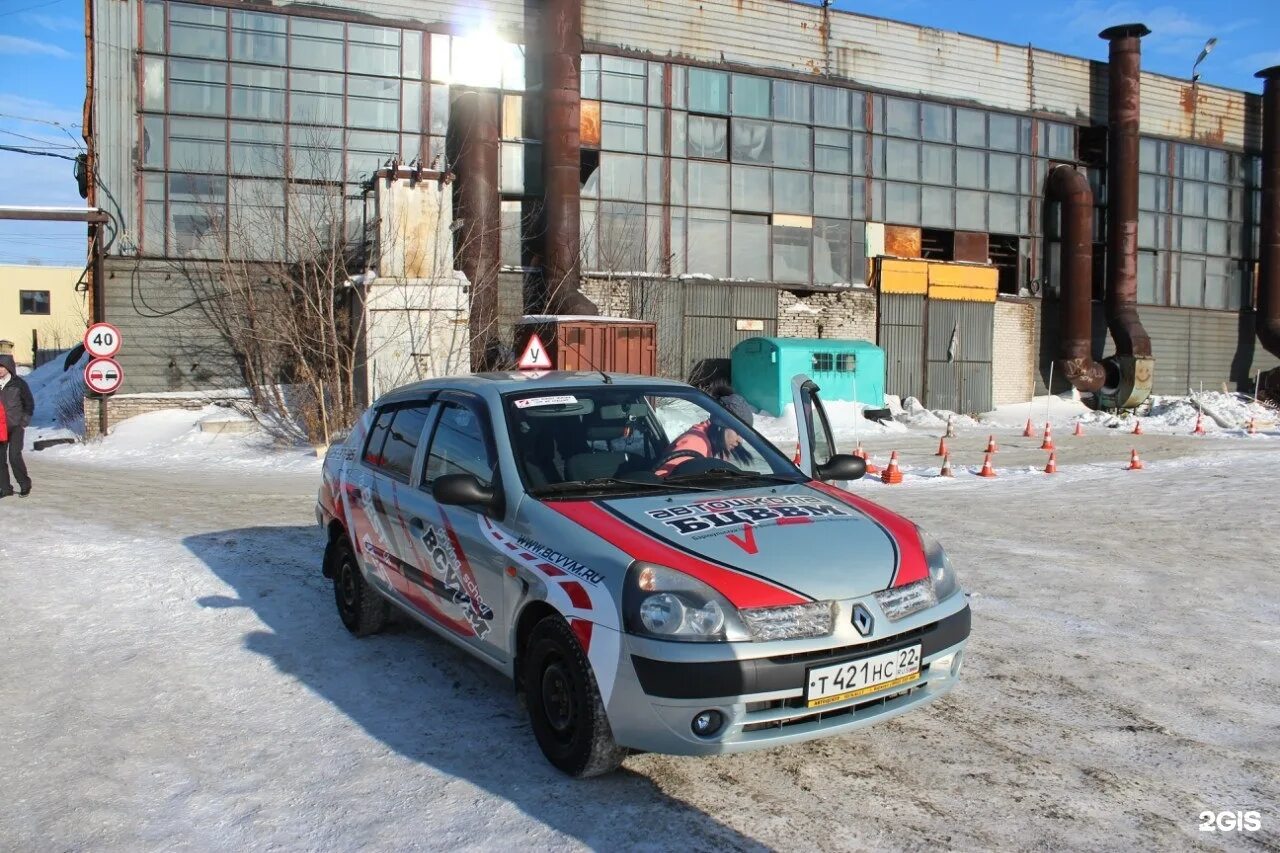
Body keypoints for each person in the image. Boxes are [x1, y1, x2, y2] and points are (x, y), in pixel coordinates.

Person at [655, 382, 755, 478]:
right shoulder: (694, 443)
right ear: (720, 425)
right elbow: (662, 481)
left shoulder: (716, 444)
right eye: (738, 432)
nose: (740, 440)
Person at [0, 353, 34, 498]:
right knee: (0, 460)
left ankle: (25, 483)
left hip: (15, 427)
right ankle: (5, 488)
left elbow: (29, 404)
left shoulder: (19, 383)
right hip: (0, 428)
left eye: (2, 366)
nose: (0, 369)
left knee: (14, 456)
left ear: (9, 367)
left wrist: (23, 421)